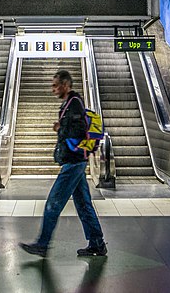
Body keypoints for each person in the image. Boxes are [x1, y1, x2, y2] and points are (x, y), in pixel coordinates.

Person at [19, 70, 107, 258]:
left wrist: (60, 129)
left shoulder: (74, 104)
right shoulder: (69, 104)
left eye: (55, 85)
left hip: (74, 163)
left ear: (65, 85)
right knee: (84, 205)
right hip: (76, 162)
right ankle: (97, 244)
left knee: (53, 203)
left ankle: (42, 244)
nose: (53, 89)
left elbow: (78, 131)